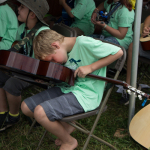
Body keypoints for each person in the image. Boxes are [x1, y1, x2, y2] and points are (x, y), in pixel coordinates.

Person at [21, 29, 123, 150]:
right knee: (26, 107)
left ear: (55, 45)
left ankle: (69, 142)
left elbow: (118, 52)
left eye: (53, 59)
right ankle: (66, 127)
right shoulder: (64, 52)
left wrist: (90, 67)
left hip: (86, 94)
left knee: (40, 112)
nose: (54, 63)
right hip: (66, 88)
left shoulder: (84, 43)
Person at [0, 0, 50, 132]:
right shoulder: (22, 28)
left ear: (32, 14)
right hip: (25, 68)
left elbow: (46, 62)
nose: (18, 9)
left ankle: (13, 116)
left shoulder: (43, 33)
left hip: (38, 73)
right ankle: (2, 111)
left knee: (12, 84)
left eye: (22, 7)